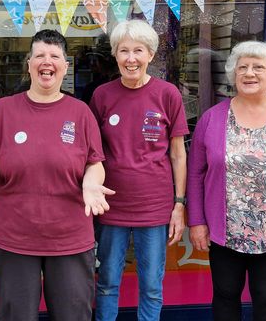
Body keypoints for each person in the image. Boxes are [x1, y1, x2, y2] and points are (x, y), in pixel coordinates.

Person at [0, 29, 114, 321]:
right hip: (14, 236)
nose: (48, 61)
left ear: (65, 66)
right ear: (29, 63)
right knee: (15, 315)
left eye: (55, 56)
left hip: (69, 236)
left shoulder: (81, 112)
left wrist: (92, 183)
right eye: (40, 55)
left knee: (74, 315)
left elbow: (95, 162)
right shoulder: (4, 109)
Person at [187, 41, 266, 321]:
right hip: (224, 231)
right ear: (234, 74)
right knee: (224, 297)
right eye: (243, 67)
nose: (250, 73)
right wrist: (196, 222)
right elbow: (196, 174)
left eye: (259, 67)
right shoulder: (211, 120)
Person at [89, 20, 189, 321]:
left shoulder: (168, 94)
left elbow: (178, 155)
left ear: (151, 55)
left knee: (152, 286)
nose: (130, 58)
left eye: (138, 51)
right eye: (123, 51)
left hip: (154, 207)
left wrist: (179, 205)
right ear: (115, 55)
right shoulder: (101, 96)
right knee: (106, 283)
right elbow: (92, 154)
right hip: (110, 206)